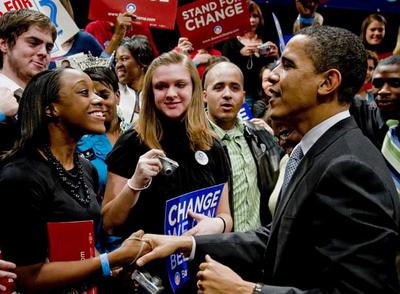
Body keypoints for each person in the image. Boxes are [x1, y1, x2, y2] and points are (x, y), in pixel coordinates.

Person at [136, 26, 400, 293]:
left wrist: (246, 291)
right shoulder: (318, 150)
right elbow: (279, 238)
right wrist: (187, 244)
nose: (273, 76)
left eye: (286, 65)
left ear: (327, 83)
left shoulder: (348, 167)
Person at [0, 68, 151, 292]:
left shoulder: (85, 168)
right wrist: (110, 260)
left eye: (97, 92)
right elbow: (27, 277)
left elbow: (83, 246)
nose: (98, 100)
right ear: (51, 109)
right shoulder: (20, 176)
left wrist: (115, 269)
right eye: (84, 92)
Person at [102, 51, 232, 291]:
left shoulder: (212, 145)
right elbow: (109, 222)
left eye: (180, 85)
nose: (171, 94)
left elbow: (226, 216)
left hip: (199, 275)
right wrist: (134, 184)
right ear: (150, 93)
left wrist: (217, 225)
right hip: (147, 279)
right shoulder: (132, 142)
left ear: (194, 88)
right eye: (161, 86)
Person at [202, 61, 282, 230]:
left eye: (234, 88)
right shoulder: (192, 141)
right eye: (218, 87)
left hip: (256, 247)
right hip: (214, 249)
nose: (227, 95)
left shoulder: (257, 135)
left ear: (244, 96)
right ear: (204, 95)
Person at [77, 66, 123, 252]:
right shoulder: (78, 142)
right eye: (87, 96)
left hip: (142, 239)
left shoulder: (139, 133)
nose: (97, 101)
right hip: (99, 247)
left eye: (104, 94)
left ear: (117, 96)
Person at [0, 9, 56, 152]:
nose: (44, 53)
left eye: (48, 48)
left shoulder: (51, 102)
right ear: (4, 44)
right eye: (33, 43)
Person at [222, 1, 278, 110]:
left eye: (255, 16)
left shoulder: (266, 39)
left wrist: (276, 56)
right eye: (248, 17)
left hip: (264, 94)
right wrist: (240, 54)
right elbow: (224, 67)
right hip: (242, 94)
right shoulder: (231, 42)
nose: (252, 20)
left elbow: (273, 69)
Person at [115, 35, 155, 124]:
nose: (118, 65)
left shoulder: (158, 93)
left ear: (142, 61)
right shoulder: (115, 93)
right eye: (116, 60)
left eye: (124, 59)